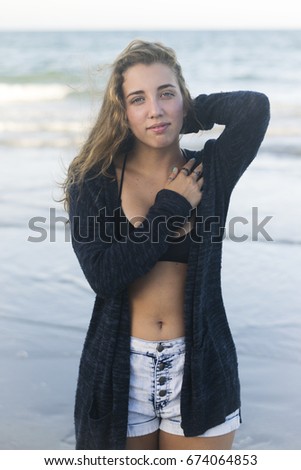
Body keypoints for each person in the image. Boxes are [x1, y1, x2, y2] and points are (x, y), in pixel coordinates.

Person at [63, 39, 270, 450]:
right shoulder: (92, 180)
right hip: (122, 372)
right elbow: (104, 276)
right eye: (138, 99)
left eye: (166, 94)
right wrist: (171, 208)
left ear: (183, 100)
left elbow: (254, 108)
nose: (155, 110)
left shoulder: (210, 171)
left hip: (201, 369)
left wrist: (183, 113)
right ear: (122, 113)